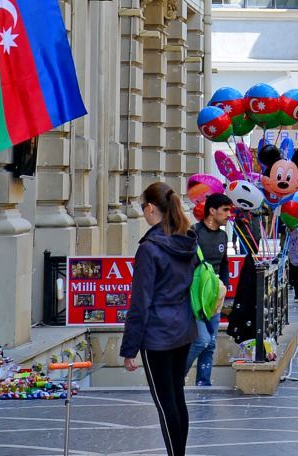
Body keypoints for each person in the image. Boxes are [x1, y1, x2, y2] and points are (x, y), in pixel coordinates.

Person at [120, 182, 198, 456]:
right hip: (184, 329)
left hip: (158, 335)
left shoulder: (149, 249)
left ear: (151, 208)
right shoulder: (187, 241)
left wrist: (129, 348)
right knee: (177, 396)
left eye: (142, 208)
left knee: (166, 403)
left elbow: (140, 303)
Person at [185, 193, 232, 386]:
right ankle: (176, 375)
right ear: (212, 211)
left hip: (215, 296)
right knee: (202, 340)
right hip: (196, 297)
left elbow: (224, 263)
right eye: (225, 210)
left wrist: (225, 288)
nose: (229, 215)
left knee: (211, 344)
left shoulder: (223, 235)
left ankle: (204, 384)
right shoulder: (193, 233)